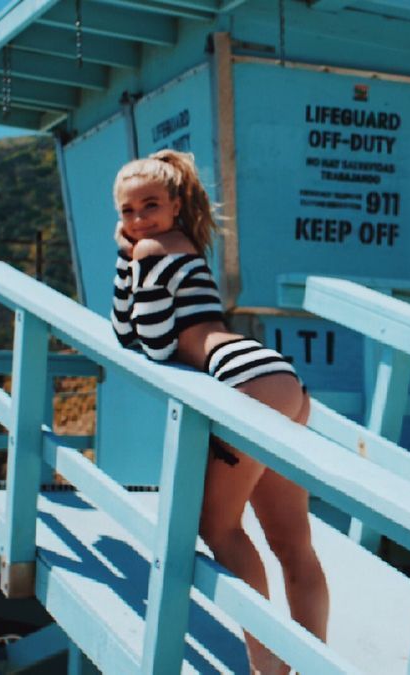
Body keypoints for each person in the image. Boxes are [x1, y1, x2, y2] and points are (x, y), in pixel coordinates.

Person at [110, 150, 329, 673]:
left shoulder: (152, 251)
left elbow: (146, 340)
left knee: (218, 527)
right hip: (280, 379)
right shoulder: (187, 247)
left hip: (244, 382)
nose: (139, 219)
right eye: (128, 211)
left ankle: (268, 667)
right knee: (292, 543)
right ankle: (312, 664)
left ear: (175, 203)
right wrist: (130, 258)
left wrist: (130, 261)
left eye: (150, 205)